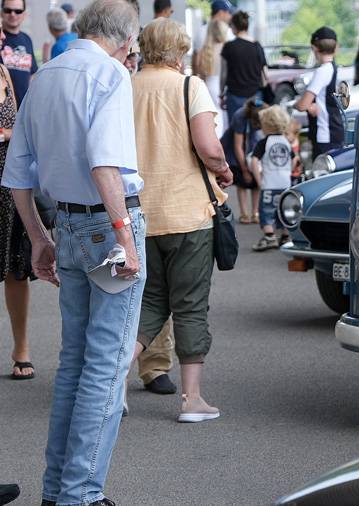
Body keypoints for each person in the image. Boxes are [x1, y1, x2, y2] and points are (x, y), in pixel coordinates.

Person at [2, 0, 143, 503]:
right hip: (107, 223)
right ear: (127, 39)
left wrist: (40, 236)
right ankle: (79, 494)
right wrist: (125, 237)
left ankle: (59, 489)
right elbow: (106, 164)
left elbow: (17, 172)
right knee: (106, 364)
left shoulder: (45, 75)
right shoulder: (110, 74)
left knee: (75, 362)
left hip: (67, 223)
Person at [130, 17, 231, 423]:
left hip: (140, 213)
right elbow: (209, 147)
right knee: (189, 307)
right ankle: (191, 400)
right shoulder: (190, 86)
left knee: (149, 302)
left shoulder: (127, 87)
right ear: (179, 51)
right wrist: (223, 169)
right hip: (187, 213)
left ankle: (110, 384)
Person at [0, 15, 32, 381]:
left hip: (8, 185)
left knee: (15, 268)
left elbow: (19, 124)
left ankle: (21, 348)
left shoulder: (5, 73)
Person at [295, 27, 345, 159]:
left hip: (325, 133)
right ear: (336, 48)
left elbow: (302, 105)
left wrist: (297, 104)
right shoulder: (335, 68)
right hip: (335, 129)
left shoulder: (322, 71)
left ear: (314, 48)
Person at [250, 106, 294, 251]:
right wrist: (288, 171)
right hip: (285, 184)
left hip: (269, 184)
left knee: (266, 211)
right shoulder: (286, 141)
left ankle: (269, 236)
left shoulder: (264, 142)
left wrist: (259, 179)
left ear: (266, 125)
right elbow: (294, 159)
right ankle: (285, 236)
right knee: (284, 210)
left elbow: (254, 161)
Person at [222, 96, 265, 223]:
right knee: (242, 182)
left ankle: (255, 212)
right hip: (237, 149)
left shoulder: (264, 111)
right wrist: (245, 170)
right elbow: (238, 146)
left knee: (256, 181)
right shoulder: (240, 117)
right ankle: (244, 213)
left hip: (253, 144)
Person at [220, 10, 267, 125]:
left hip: (234, 95)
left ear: (234, 26)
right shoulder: (257, 46)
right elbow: (265, 73)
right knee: (255, 128)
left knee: (235, 129)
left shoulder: (229, 47)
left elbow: (224, 74)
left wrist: (221, 93)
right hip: (255, 95)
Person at [194, 19, 229, 136]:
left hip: (209, 84)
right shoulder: (226, 48)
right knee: (224, 118)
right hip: (222, 85)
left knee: (213, 118)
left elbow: (199, 70)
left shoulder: (205, 49)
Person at [1, 0, 36, 107]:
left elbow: (32, 74)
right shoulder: (0, 39)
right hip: (4, 110)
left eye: (18, 11)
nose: (13, 14)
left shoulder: (27, 39)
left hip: (24, 109)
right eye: (8, 10)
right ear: (1, 12)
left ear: (24, 14)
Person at [191, 0, 232, 71]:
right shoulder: (228, 32)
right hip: (224, 76)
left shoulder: (201, 31)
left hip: (205, 76)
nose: (230, 16)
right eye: (228, 13)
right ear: (221, 13)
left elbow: (195, 63)